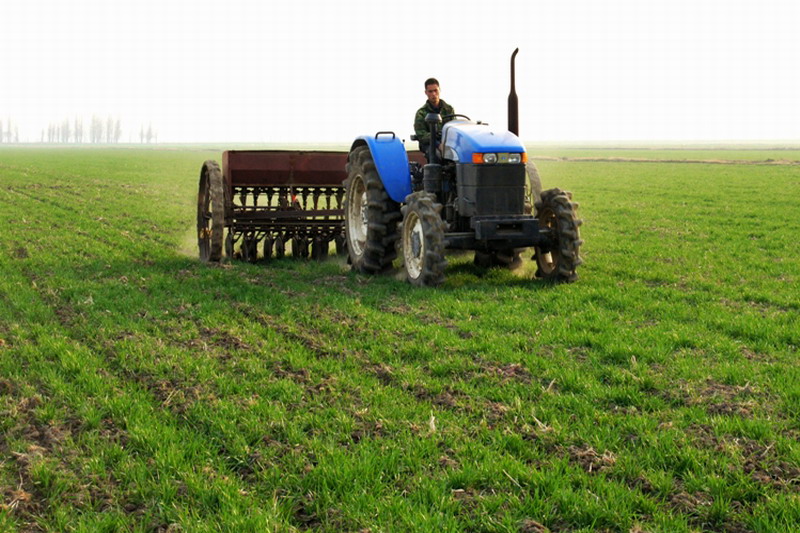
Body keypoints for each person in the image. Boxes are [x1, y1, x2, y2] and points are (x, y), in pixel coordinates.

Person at [414, 78, 455, 155]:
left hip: (447, 142)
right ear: (426, 92)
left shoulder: (449, 109)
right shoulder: (421, 113)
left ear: (439, 90)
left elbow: (453, 129)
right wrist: (437, 143)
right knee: (436, 154)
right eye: (430, 91)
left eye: (435, 90)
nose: (433, 94)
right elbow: (421, 135)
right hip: (429, 144)